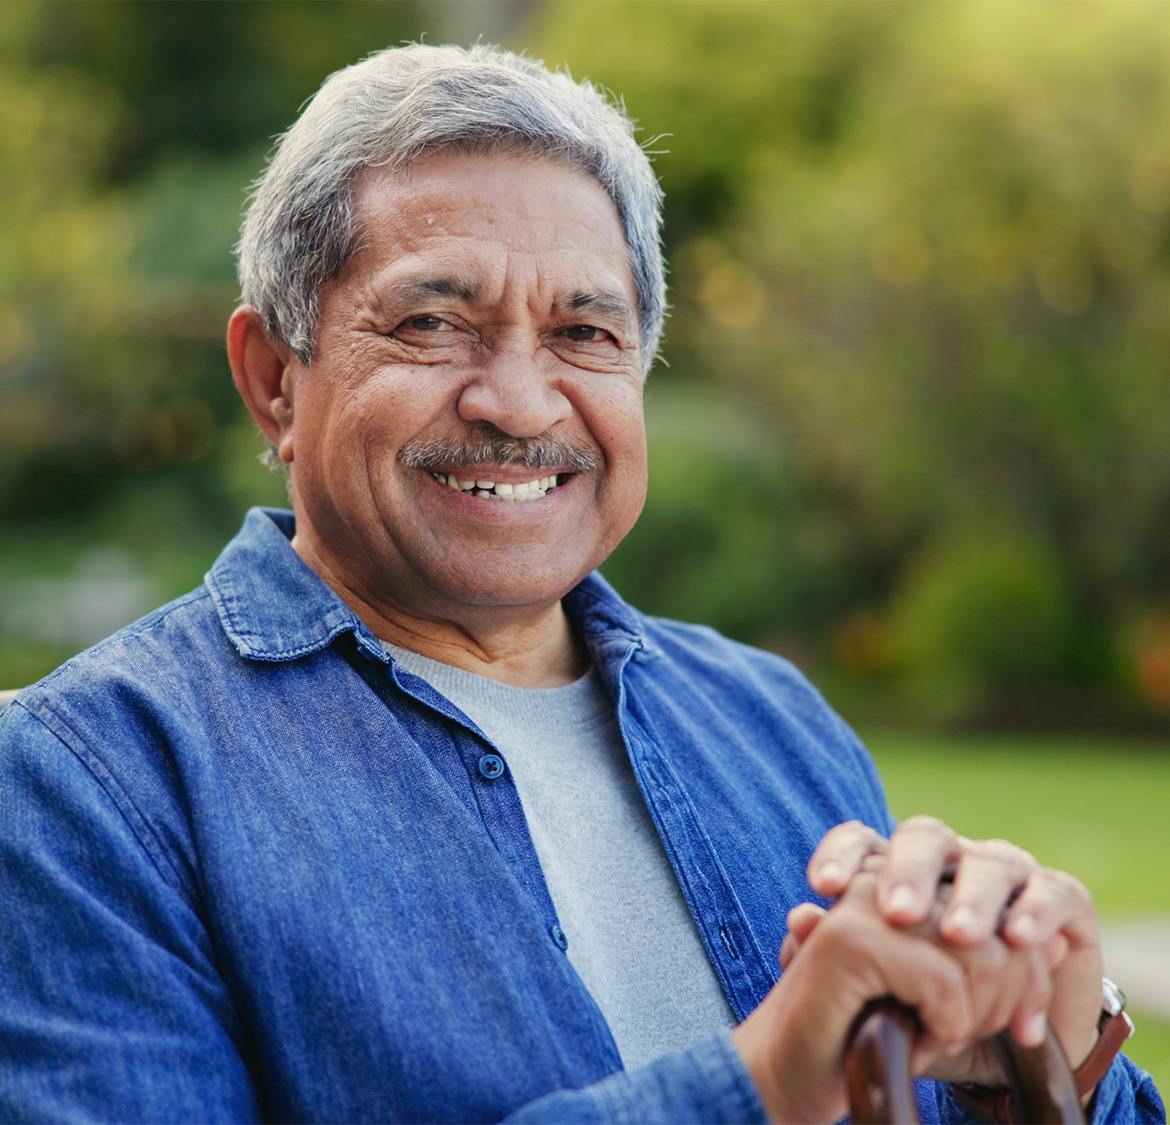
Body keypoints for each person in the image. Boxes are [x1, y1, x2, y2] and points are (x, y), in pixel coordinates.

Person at [0, 43, 1162, 1124]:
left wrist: (1042, 1061)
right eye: (432, 322)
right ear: (273, 380)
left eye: (585, 334)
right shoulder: (87, 782)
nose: (518, 402)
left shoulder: (769, 717)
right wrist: (759, 1086)